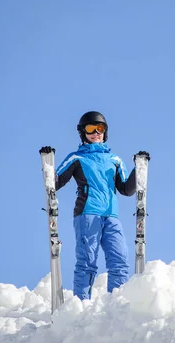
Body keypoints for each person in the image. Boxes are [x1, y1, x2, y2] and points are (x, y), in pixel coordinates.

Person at [53, 111, 148, 300]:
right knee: (87, 262)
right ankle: (81, 304)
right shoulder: (76, 158)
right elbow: (55, 182)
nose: (96, 132)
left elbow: (126, 189)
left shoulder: (115, 160)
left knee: (120, 261)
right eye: (90, 128)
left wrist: (139, 167)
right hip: (87, 214)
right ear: (83, 133)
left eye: (100, 128)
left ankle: (116, 304)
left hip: (111, 216)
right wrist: (47, 164)